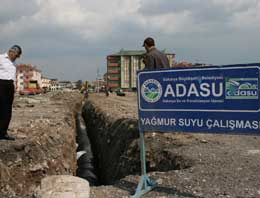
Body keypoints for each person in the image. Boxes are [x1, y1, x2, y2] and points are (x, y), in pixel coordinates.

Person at [0, 45, 22, 140]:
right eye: (16, 55)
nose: (16, 57)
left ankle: (3, 133)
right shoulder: (1, 58)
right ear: (12, 51)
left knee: (8, 110)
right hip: (1, 83)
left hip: (10, 86)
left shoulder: (14, 64)